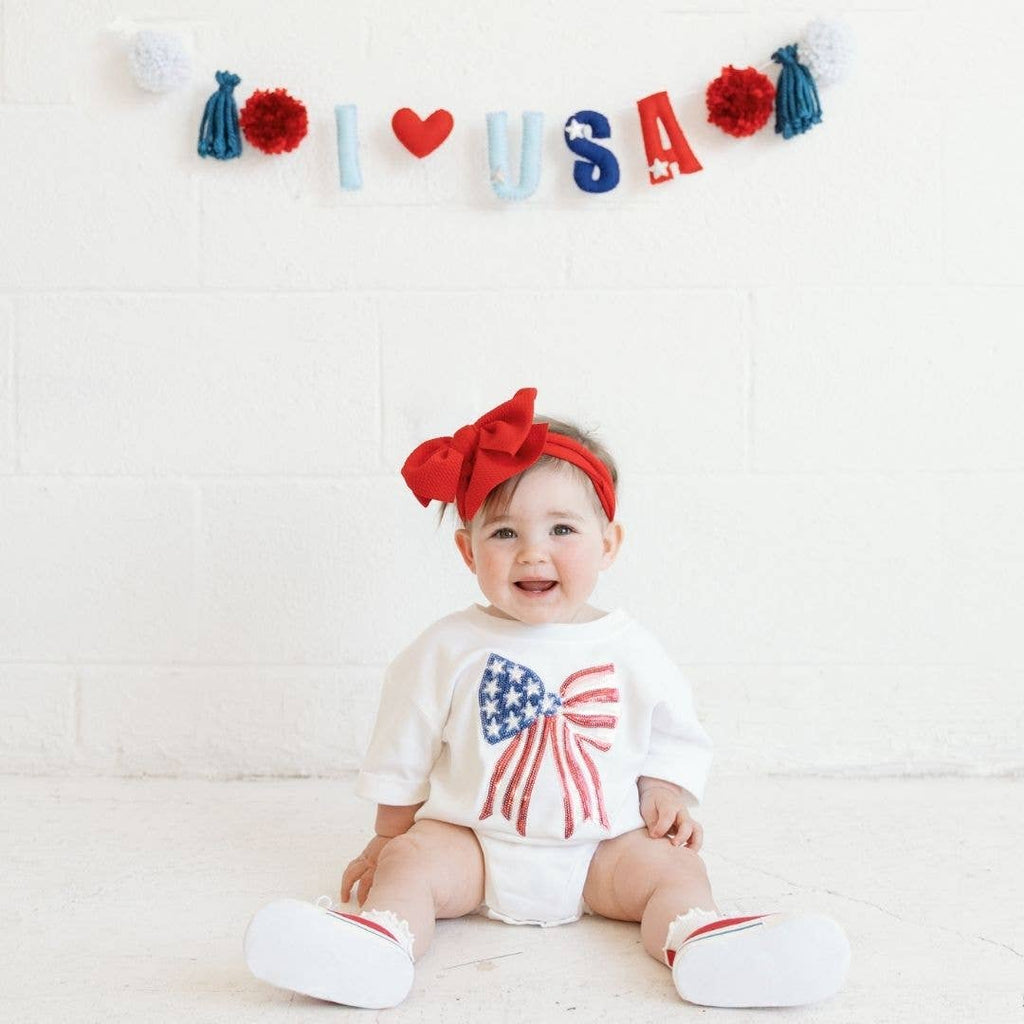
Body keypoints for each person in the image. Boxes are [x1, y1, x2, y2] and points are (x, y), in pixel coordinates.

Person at [244, 387, 850, 1010]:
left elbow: (674, 732)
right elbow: (404, 743)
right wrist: (388, 840)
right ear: (468, 551)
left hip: (604, 850)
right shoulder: (448, 646)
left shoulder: (631, 647)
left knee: (676, 869)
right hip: (473, 845)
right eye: (504, 532)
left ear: (608, 544)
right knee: (411, 864)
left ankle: (702, 944)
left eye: (562, 528)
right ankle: (378, 945)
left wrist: (665, 791)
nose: (533, 552)